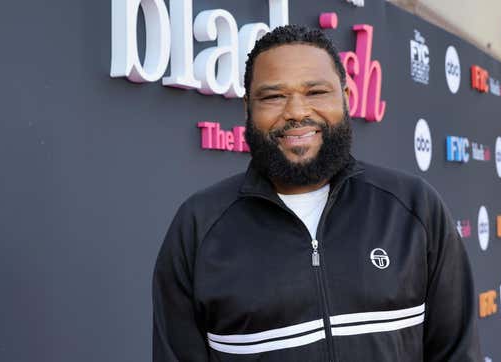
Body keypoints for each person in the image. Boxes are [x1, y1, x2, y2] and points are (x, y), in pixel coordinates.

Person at [152, 25, 481, 361]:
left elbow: (457, 352)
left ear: (346, 99)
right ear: (248, 109)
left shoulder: (414, 208)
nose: (296, 111)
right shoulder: (198, 227)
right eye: (274, 96)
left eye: (316, 92)